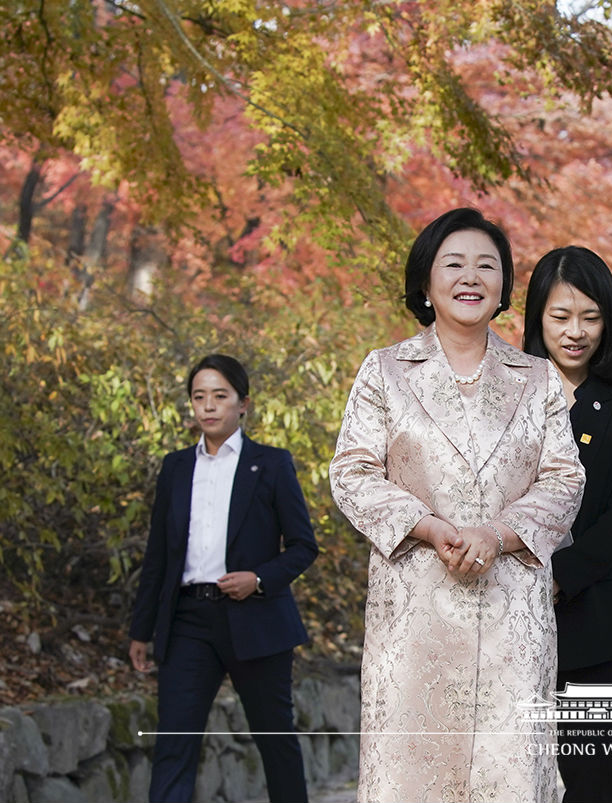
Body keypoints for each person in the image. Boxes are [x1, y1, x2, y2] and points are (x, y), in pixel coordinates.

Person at [328, 208, 586, 803]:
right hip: (415, 609)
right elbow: (352, 471)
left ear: (502, 287)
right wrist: (428, 526)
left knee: (511, 774)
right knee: (413, 774)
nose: (470, 277)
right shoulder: (385, 371)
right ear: (426, 281)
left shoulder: (538, 378)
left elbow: (564, 480)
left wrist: (497, 534)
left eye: (486, 265)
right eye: (454, 264)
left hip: (511, 611)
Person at [128, 353, 317, 803]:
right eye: (199, 397)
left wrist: (259, 578)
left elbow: (303, 546)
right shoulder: (176, 467)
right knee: (173, 742)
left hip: (255, 618)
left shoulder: (271, 464)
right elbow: (158, 555)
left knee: (275, 741)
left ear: (243, 403)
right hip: (188, 621)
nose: (208, 406)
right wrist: (141, 629)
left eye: (220, 396)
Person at [522, 246, 612, 802]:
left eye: (591, 317)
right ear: (536, 319)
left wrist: (562, 575)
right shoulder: (508, 393)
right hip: (514, 606)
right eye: (560, 317)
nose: (575, 332)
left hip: (600, 615)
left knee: (597, 777)